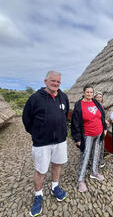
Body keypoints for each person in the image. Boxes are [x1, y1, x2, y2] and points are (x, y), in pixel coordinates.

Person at [22, 70, 69, 217]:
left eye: (58, 82)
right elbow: (26, 120)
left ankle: (55, 187)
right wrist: (37, 133)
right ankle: (38, 195)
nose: (55, 83)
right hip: (42, 143)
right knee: (41, 170)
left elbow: (65, 114)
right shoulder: (35, 99)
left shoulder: (63, 97)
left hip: (60, 141)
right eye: (53, 81)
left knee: (57, 164)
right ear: (45, 81)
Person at [71, 85, 107, 193]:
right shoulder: (79, 105)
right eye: (87, 92)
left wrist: (104, 129)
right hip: (87, 135)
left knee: (96, 154)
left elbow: (102, 116)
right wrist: (77, 139)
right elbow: (75, 123)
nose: (89, 94)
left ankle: (94, 172)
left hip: (99, 133)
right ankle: (80, 179)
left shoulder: (95, 103)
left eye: (91, 92)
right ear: (83, 93)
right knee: (85, 157)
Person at [94, 91, 110, 168]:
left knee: (101, 145)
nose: (99, 99)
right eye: (97, 97)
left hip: (101, 128)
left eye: (100, 97)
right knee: (95, 146)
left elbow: (102, 117)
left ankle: (100, 161)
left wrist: (105, 127)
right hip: (95, 129)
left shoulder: (101, 106)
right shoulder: (93, 107)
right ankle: (94, 162)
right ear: (94, 98)